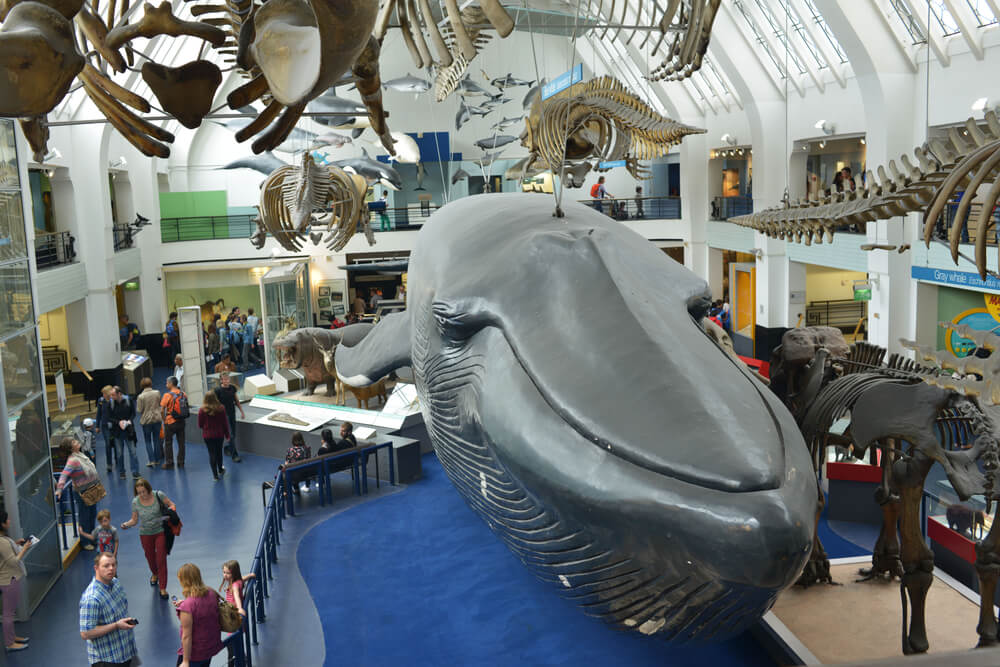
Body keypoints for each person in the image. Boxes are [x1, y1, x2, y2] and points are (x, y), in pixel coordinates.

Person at [79, 552, 138, 667]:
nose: (111, 568)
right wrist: (116, 625)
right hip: (107, 660)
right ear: (96, 568)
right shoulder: (91, 598)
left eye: (114, 565)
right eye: (106, 566)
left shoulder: (116, 584)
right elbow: (85, 633)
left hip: (126, 653)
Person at [120, 478, 175, 600]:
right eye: (139, 492)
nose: (142, 495)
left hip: (160, 531)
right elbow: (134, 520)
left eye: (144, 491)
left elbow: (171, 504)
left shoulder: (158, 495)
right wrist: (126, 524)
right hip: (145, 533)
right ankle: (154, 573)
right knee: (150, 558)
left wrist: (171, 512)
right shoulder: (135, 502)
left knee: (161, 559)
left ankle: (163, 588)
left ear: (148, 489)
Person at [55, 437, 102, 550]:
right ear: (71, 448)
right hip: (83, 492)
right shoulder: (73, 460)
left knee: (92, 515)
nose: (78, 442)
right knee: (85, 517)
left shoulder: (80, 454)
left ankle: (91, 537)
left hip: (91, 489)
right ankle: (85, 542)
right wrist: (60, 489)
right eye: (75, 442)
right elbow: (64, 475)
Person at [173, 563, 223, 667]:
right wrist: (185, 602)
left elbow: (186, 636)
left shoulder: (187, 606)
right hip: (209, 649)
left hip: (194, 655)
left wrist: (186, 661)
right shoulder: (211, 592)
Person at [0, 510, 32, 652]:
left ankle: (12, 637)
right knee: (8, 613)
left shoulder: (4, 540)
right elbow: (14, 562)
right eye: (7, 520)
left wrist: (17, 544)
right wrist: (24, 549)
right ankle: (9, 643)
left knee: (10, 612)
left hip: (7, 579)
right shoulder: (2, 542)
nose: (9, 521)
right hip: (9, 579)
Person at [198, 392, 230, 481]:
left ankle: (215, 476)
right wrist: (227, 435)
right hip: (219, 435)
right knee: (219, 452)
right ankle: (220, 469)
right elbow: (225, 423)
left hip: (208, 436)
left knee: (212, 453)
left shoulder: (202, 410)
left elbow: (200, 425)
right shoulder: (221, 408)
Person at [109, 386, 139, 479]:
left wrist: (129, 421)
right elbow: (109, 417)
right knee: (119, 453)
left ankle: (135, 472)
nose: (112, 397)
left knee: (133, 452)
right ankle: (122, 472)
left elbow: (133, 413)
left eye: (113, 395)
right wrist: (118, 422)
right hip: (117, 432)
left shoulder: (128, 400)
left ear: (119, 394)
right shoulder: (111, 403)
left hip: (128, 430)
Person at [214, 372, 245, 463]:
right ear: (221, 380)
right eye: (225, 379)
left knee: (233, 434)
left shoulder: (232, 388)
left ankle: (227, 448)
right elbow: (215, 404)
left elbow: (236, 400)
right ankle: (234, 455)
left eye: (228, 379)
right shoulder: (218, 391)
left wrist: (242, 412)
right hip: (223, 415)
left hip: (232, 413)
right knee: (230, 435)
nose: (227, 381)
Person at [160, 376, 187, 469]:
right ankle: (181, 462)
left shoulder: (167, 395)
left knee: (168, 443)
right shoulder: (183, 394)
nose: (166, 384)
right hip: (181, 421)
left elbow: (161, 410)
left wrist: (164, 420)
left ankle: (169, 463)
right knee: (181, 443)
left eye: (167, 383)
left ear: (171, 384)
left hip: (170, 422)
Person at [136, 377, 163, 468]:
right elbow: (159, 403)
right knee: (156, 439)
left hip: (146, 421)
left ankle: (151, 460)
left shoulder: (140, 396)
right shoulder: (157, 393)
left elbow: (139, 410)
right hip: (157, 418)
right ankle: (157, 460)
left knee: (148, 441)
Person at [96, 385, 117, 473]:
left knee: (116, 443)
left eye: (104, 393)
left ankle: (117, 458)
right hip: (105, 426)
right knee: (108, 444)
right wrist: (97, 426)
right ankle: (109, 464)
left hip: (114, 425)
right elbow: (99, 414)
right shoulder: (101, 401)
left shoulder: (114, 401)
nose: (103, 395)